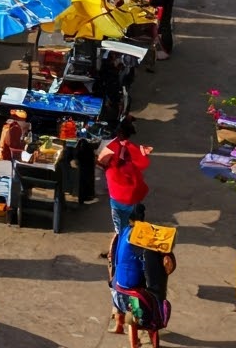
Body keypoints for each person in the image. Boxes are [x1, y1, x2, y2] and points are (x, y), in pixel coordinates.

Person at [108, 220, 173, 348]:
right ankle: (137, 344)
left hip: (118, 288)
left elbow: (112, 256)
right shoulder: (143, 246)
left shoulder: (121, 234)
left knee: (124, 307)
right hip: (132, 296)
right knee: (137, 317)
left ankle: (119, 326)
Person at [97, 117, 150, 233]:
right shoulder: (131, 147)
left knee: (119, 225)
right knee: (130, 218)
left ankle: (122, 238)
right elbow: (142, 162)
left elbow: (101, 162)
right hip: (133, 189)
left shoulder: (111, 146)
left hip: (118, 191)